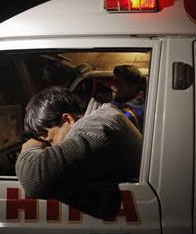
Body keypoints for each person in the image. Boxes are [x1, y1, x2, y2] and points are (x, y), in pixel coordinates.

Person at [15, 86, 142, 218]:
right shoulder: (105, 117)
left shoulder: (100, 126)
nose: (52, 146)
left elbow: (35, 181)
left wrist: (30, 147)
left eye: (51, 140)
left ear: (68, 120)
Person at [110, 65, 146, 133]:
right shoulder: (123, 101)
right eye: (113, 82)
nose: (112, 86)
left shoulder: (130, 115)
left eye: (118, 83)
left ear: (131, 87)